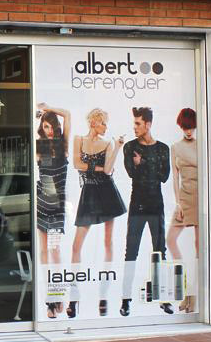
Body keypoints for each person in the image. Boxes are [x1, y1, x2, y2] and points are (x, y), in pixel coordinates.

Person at [68, 108, 126, 318]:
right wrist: (99, 168)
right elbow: (76, 164)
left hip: (107, 192)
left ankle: (104, 294)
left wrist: (117, 147)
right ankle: (74, 296)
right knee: (76, 246)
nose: (106, 127)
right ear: (93, 122)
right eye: (103, 123)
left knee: (107, 243)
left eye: (106, 123)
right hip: (89, 193)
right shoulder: (78, 139)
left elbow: (109, 170)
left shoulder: (109, 143)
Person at [121, 107, 172, 317]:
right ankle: (125, 300)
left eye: (138, 123)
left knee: (160, 251)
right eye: (134, 123)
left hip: (156, 205)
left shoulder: (163, 148)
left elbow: (164, 176)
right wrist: (143, 165)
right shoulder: (129, 147)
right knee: (131, 252)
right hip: (137, 206)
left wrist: (143, 162)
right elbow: (131, 172)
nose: (134, 127)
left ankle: (164, 298)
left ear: (148, 124)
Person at [35, 103, 70, 319]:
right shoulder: (40, 146)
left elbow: (67, 114)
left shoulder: (63, 144)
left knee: (55, 251)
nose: (48, 130)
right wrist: (38, 116)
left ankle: (59, 296)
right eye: (45, 126)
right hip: (42, 201)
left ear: (56, 127)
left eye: (51, 126)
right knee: (43, 252)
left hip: (57, 206)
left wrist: (47, 108)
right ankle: (49, 301)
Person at [167, 108, 198, 313]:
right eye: (185, 127)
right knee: (170, 240)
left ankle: (193, 295)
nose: (188, 131)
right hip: (184, 198)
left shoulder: (202, 145)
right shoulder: (176, 147)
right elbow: (175, 178)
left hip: (200, 197)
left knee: (199, 247)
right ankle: (187, 288)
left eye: (191, 127)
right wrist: (177, 203)